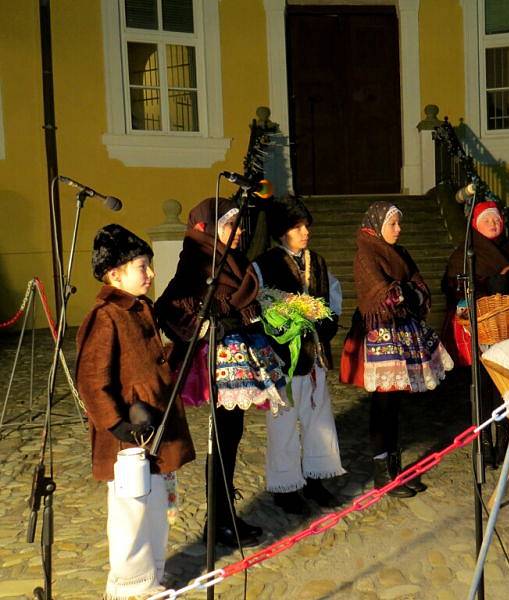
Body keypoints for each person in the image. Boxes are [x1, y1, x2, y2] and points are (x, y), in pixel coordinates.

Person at [155, 197, 286, 547]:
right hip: (217, 364)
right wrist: (211, 324)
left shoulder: (231, 260)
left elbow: (244, 300)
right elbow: (168, 308)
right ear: (208, 228)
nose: (240, 230)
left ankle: (224, 512)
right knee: (223, 440)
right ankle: (220, 518)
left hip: (238, 360)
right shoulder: (198, 261)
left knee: (232, 437)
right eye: (231, 224)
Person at [76, 224, 195, 599]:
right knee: (132, 515)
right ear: (115, 274)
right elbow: (92, 380)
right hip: (128, 439)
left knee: (155, 511)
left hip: (154, 429)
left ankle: (150, 580)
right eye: (142, 266)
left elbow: (153, 361)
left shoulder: (139, 308)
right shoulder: (107, 315)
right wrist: (117, 424)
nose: (151, 274)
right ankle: (128, 588)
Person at [340, 201, 454, 497]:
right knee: (382, 404)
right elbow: (382, 295)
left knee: (395, 406)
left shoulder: (399, 252)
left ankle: (394, 468)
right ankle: (382, 474)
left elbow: (418, 287)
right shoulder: (367, 252)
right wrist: (404, 293)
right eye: (393, 224)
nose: (399, 229)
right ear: (378, 225)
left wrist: (407, 293)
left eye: (399, 224)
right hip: (380, 336)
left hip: (403, 331)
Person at [253, 196, 345, 515]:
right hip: (282, 359)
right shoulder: (264, 264)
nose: (304, 232)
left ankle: (316, 478)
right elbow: (259, 305)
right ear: (282, 231)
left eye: (306, 225)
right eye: (297, 226)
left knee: (318, 418)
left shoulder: (317, 261)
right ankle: (285, 487)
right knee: (283, 422)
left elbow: (333, 296)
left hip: (315, 355)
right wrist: (284, 322)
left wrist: (324, 325)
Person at [441, 199, 509, 466]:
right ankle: (484, 440)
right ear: (476, 224)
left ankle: (505, 435)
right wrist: (489, 285)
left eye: (497, 219)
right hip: (483, 331)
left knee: (508, 383)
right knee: (484, 385)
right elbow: (453, 287)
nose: (493, 223)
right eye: (487, 220)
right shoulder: (466, 252)